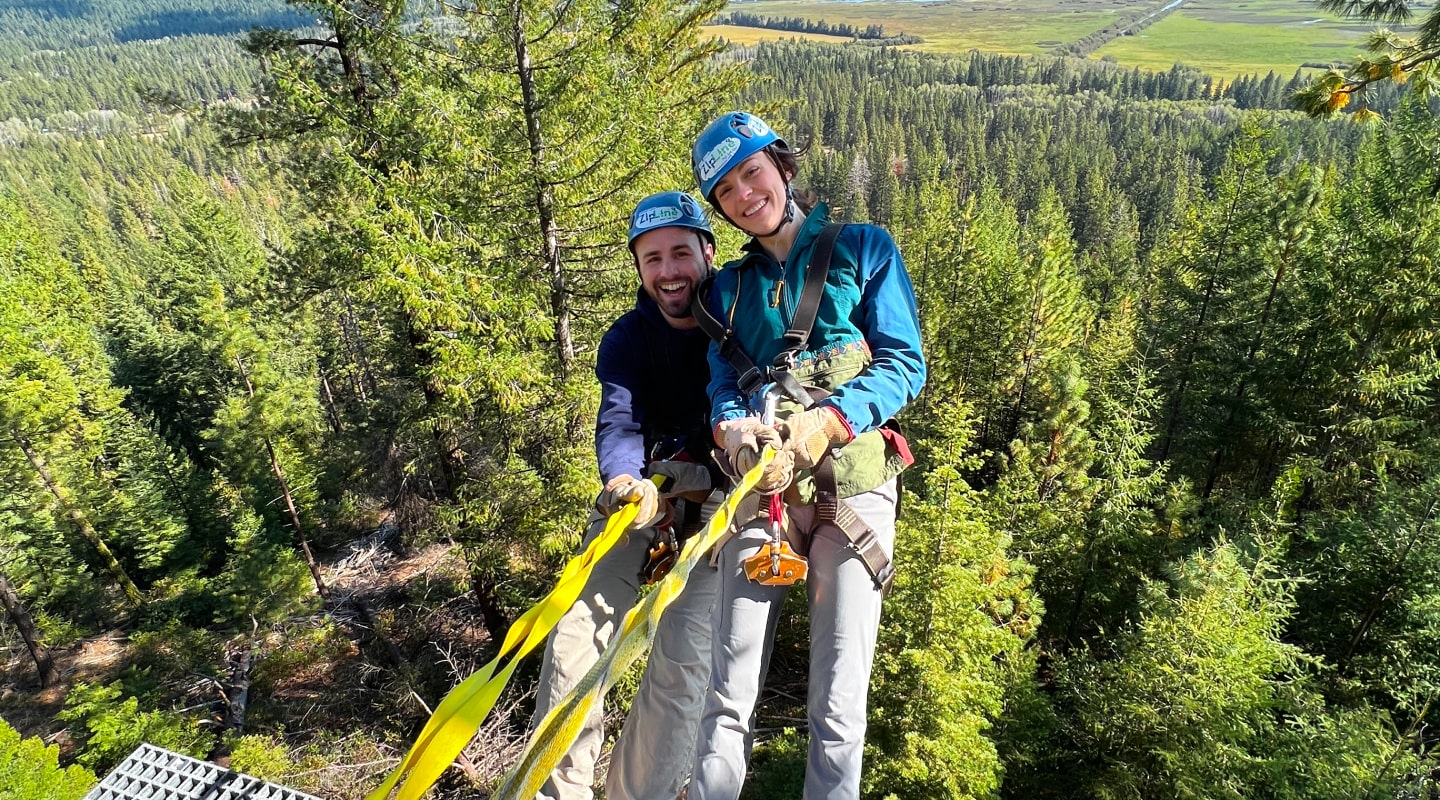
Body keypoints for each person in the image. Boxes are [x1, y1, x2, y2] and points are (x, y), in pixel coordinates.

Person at [687, 111, 926, 800]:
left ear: (782, 167)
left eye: (752, 172)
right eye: (727, 189)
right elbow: (723, 383)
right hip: (768, 492)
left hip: (854, 491)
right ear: (722, 209)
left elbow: (904, 364)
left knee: (838, 709)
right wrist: (732, 430)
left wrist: (828, 420)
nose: (745, 193)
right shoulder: (726, 293)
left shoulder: (863, 249)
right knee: (727, 696)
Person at [531, 191, 724, 800]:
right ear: (638, 269)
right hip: (643, 496)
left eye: (679, 254)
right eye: (651, 259)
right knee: (572, 644)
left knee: (680, 669)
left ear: (707, 253)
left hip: (720, 504)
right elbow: (619, 422)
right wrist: (621, 483)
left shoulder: (740, 321)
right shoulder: (627, 339)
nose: (667, 272)